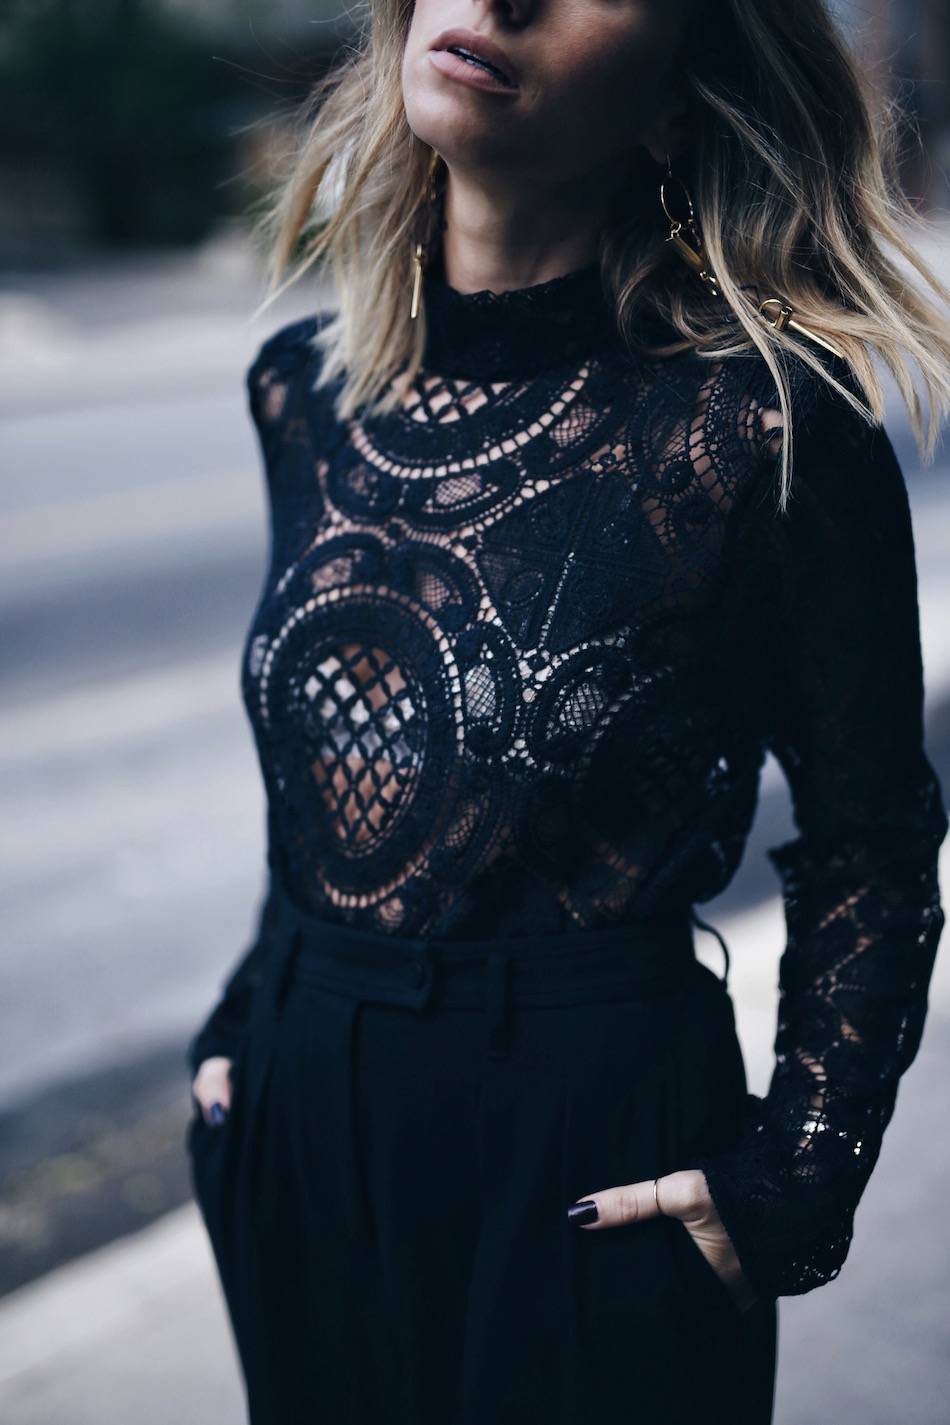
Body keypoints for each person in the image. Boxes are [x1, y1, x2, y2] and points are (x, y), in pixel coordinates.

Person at [184, 1, 950, 1421]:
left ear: (676, 99)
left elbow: (872, 845)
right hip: (300, 1105)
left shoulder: (761, 427)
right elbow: (343, 783)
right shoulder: (304, 392)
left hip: (583, 1134)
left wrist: (792, 1174)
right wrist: (241, 1027)